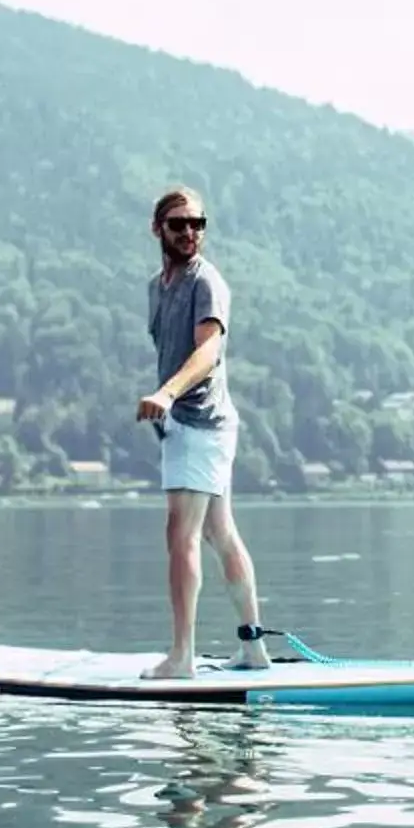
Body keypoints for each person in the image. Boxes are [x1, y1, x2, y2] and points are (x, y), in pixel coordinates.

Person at [137, 186, 273, 678]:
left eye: (198, 223)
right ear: (158, 230)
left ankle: (181, 657)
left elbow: (207, 352)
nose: (190, 232)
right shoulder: (158, 286)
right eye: (179, 224)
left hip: (200, 422)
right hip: (191, 425)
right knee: (219, 532)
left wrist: (168, 394)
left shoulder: (206, 283)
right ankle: (253, 648)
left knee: (181, 534)